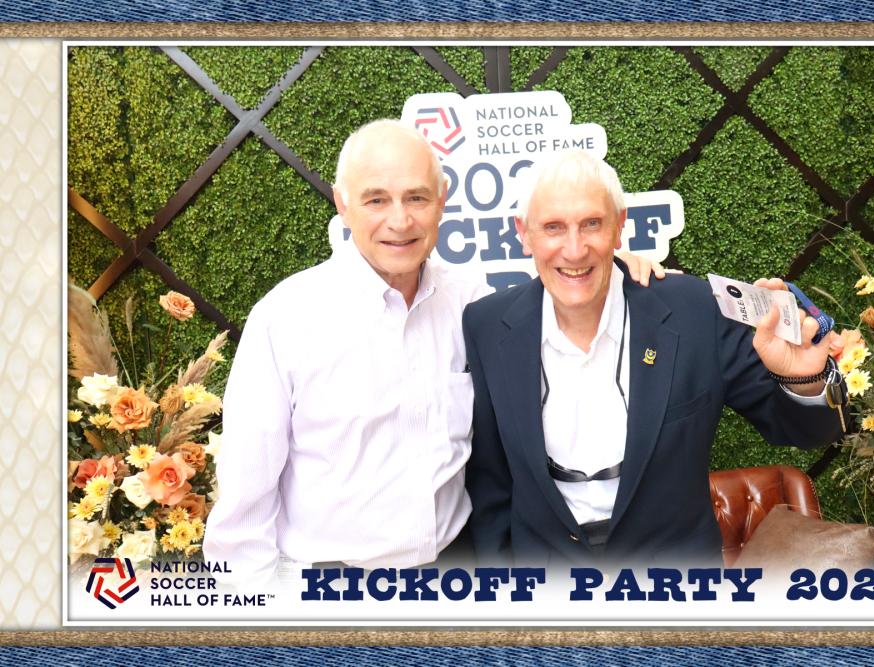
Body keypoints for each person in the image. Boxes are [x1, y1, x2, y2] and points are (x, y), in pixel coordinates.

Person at [203, 121, 664, 582]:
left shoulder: (473, 305)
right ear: (343, 204)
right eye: (376, 199)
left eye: (417, 198)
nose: (400, 221)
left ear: (442, 199)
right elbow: (243, 514)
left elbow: (562, 286)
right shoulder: (285, 321)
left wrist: (616, 271)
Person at [462, 149, 846, 567]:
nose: (574, 249)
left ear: (619, 226)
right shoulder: (486, 325)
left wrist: (803, 381)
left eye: (592, 224)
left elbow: (810, 431)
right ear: (524, 233)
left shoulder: (694, 310)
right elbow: (490, 483)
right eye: (553, 227)